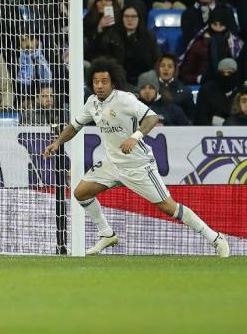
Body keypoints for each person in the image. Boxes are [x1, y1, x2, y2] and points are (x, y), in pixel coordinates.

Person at [43, 58, 229, 257]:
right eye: (96, 81)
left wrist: (135, 137)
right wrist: (58, 143)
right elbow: (75, 126)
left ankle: (216, 238)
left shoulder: (124, 100)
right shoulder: (92, 103)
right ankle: (107, 234)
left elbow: (152, 117)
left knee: (169, 207)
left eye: (104, 81)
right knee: (81, 192)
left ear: (113, 82)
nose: (99, 85)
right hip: (113, 163)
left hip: (138, 165)